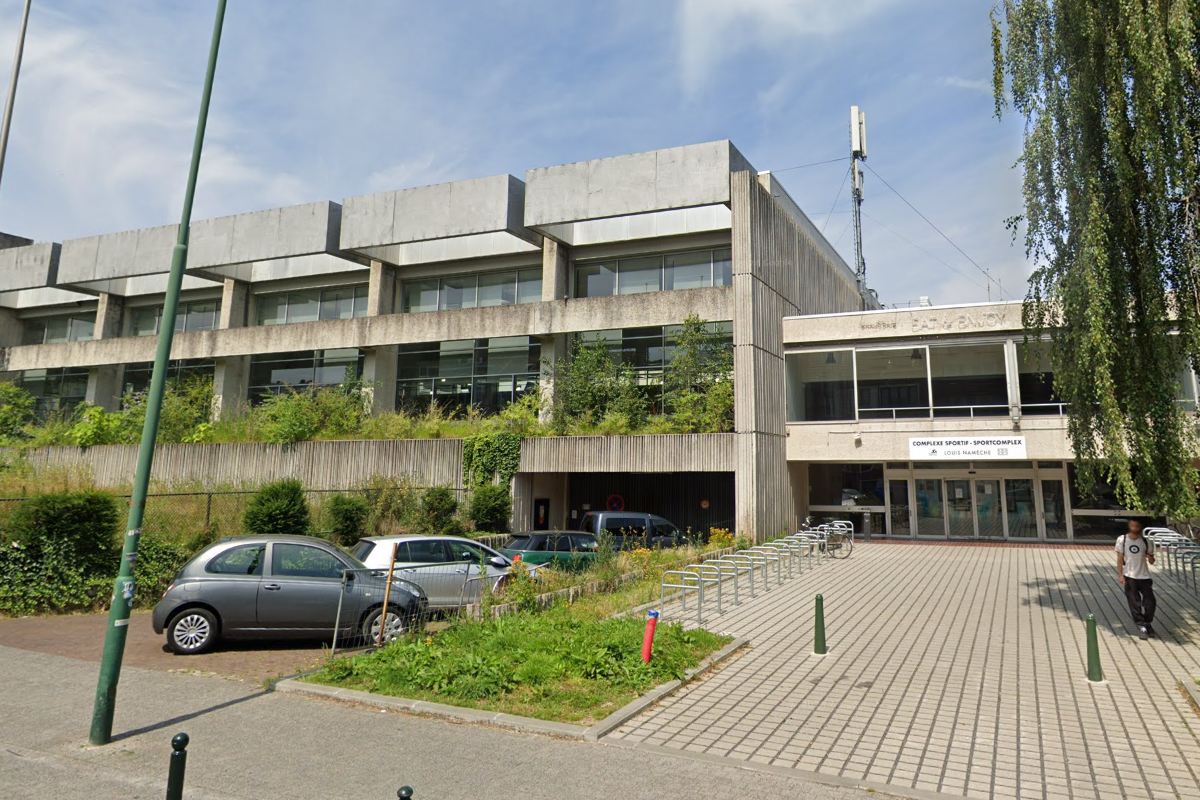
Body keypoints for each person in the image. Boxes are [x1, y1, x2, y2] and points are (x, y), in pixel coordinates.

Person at [1115, 519, 1157, 639]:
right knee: (1134, 603)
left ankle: (1147, 622)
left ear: (1140, 527)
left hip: (1144, 576)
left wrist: (1150, 557)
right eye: (1132, 525)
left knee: (1150, 602)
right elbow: (1119, 559)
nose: (1134, 528)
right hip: (1129, 576)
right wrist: (1120, 575)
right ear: (1129, 526)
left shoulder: (1146, 541)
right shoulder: (1122, 540)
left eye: (1136, 526)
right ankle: (1142, 626)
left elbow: (1152, 561)